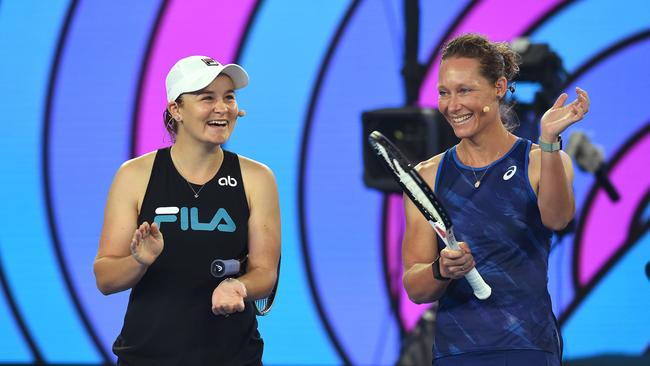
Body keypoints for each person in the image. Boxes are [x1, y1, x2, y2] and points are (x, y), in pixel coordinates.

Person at [402, 33, 589, 365]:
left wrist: (548, 140)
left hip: (529, 349)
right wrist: (441, 269)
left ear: (499, 87)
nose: (452, 105)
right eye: (444, 92)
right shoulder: (425, 177)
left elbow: (558, 219)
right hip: (455, 354)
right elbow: (416, 288)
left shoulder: (542, 160)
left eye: (465, 90)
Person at [93, 55, 281, 365]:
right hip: (146, 357)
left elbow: (265, 272)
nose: (222, 107)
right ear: (176, 110)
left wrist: (238, 287)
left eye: (229, 97)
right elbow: (105, 278)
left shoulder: (257, 178)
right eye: (207, 98)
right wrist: (139, 261)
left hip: (234, 357)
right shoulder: (134, 175)